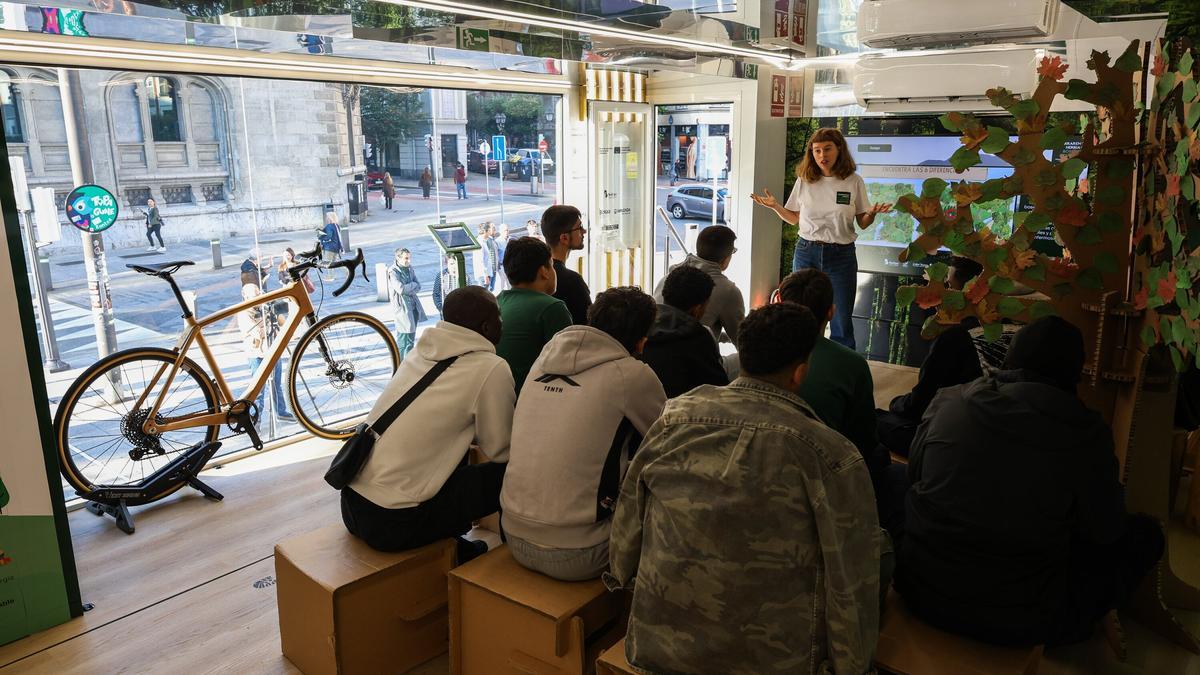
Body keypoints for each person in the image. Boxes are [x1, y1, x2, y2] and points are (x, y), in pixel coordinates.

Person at [607, 303, 881, 674]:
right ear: (799, 374)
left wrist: (624, 582)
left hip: (660, 651)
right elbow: (852, 583)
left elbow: (627, 528)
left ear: (742, 359)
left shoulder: (674, 419)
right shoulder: (831, 455)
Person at [895, 316, 1166, 647]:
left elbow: (914, 474)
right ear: (1075, 375)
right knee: (1146, 535)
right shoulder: (1086, 433)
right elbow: (1105, 530)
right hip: (1023, 621)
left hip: (918, 589)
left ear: (1008, 359)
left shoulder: (950, 400)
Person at [501, 287, 666, 581]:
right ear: (641, 341)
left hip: (512, 533)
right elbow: (666, 442)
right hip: (582, 552)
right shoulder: (631, 374)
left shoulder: (543, 361)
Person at [343, 286, 515, 564]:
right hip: (395, 522)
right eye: (499, 317)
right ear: (486, 325)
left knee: (451, 453)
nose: (503, 323)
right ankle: (518, 554)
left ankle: (454, 543)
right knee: (511, 472)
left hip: (353, 505)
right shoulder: (490, 367)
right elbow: (501, 450)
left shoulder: (418, 352)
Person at [778, 269, 905, 539]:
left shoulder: (753, 353)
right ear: (831, 312)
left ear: (778, 302)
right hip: (828, 483)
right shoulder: (850, 363)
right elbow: (863, 440)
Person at [751, 127, 894, 350]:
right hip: (806, 251)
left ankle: (841, 371)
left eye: (827, 149)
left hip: (841, 255)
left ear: (839, 150)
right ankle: (798, 361)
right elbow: (794, 219)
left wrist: (872, 213)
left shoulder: (853, 181)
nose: (821, 156)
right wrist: (775, 206)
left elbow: (863, 223)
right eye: (816, 151)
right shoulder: (805, 180)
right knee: (797, 312)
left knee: (841, 317)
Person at [877, 256, 987, 459]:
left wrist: (895, 403)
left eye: (948, 287)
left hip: (957, 436)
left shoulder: (954, 338)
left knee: (876, 418)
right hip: (991, 428)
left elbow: (918, 405)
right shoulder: (1003, 328)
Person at [495, 236, 572, 393]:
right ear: (544, 271)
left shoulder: (497, 302)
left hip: (499, 394)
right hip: (530, 399)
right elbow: (568, 364)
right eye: (551, 265)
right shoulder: (552, 307)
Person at [641, 265, 728, 397]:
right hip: (683, 410)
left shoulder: (641, 322)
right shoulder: (697, 335)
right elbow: (718, 387)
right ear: (697, 309)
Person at [652, 225, 744, 343]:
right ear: (727, 257)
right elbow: (743, 342)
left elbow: (676, 327)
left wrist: (724, 338)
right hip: (692, 358)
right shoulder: (727, 290)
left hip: (653, 354)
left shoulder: (668, 278)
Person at [236, 283, 294, 424]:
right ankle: (255, 419)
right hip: (256, 354)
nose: (257, 298)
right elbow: (257, 334)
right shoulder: (243, 312)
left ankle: (281, 411)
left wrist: (273, 312)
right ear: (245, 296)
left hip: (273, 350)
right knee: (258, 390)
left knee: (276, 384)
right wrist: (266, 320)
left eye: (259, 294)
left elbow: (283, 323)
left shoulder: (266, 307)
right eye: (254, 296)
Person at [540, 205, 591, 325]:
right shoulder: (572, 281)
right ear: (564, 238)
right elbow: (588, 327)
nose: (584, 231)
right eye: (579, 227)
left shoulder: (536, 275)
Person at [389, 248, 426, 359]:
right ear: (398, 258)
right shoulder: (393, 271)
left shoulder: (410, 268)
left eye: (409, 258)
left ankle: (408, 363)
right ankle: (400, 364)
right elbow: (400, 289)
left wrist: (410, 286)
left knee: (410, 339)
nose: (409, 261)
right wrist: (412, 286)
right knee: (403, 339)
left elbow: (418, 285)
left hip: (413, 306)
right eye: (406, 258)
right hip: (402, 309)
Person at [472, 223, 494, 290]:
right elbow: (480, 261)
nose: (490, 233)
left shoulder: (483, 241)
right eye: (489, 231)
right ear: (485, 231)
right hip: (483, 276)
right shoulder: (480, 243)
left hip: (485, 274)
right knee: (483, 296)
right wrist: (485, 275)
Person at [494, 224, 511, 292]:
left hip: (510, 265)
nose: (506, 232)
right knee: (501, 287)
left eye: (507, 230)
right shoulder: (497, 241)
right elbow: (496, 255)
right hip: (501, 267)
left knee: (510, 286)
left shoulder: (511, 239)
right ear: (500, 231)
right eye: (505, 230)